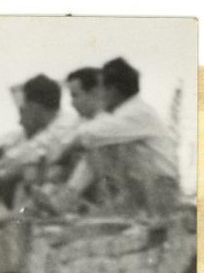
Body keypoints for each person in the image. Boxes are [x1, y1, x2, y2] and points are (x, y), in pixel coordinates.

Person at [46, 57, 180, 217]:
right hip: (148, 187)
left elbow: (87, 135)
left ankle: (66, 199)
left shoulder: (136, 113)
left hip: (161, 189)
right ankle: (67, 198)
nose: (100, 94)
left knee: (99, 147)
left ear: (113, 89)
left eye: (102, 89)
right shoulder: (128, 112)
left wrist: (62, 154)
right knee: (100, 149)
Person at [0, 74, 73, 210]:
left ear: (33, 107)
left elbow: (28, 153)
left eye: (24, 108)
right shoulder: (45, 128)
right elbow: (8, 148)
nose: (21, 117)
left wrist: (1, 171)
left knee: (25, 174)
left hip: (63, 188)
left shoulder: (65, 124)